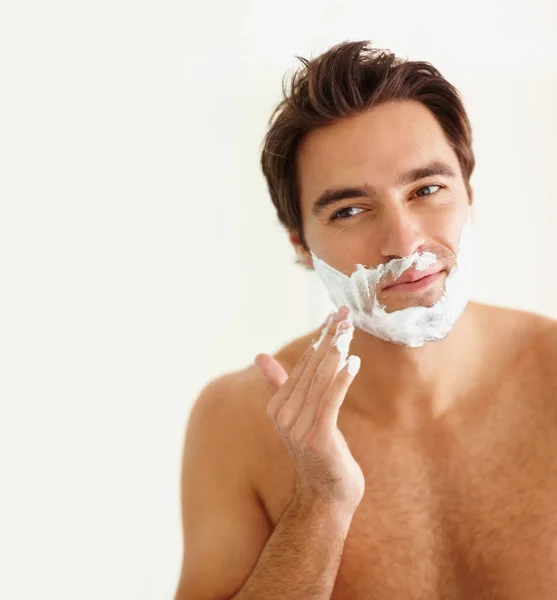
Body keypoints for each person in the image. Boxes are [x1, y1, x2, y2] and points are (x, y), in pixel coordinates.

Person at [173, 41, 557, 600]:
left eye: (427, 189)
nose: (403, 241)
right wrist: (319, 504)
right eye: (349, 210)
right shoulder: (238, 422)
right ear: (302, 246)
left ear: (468, 195)